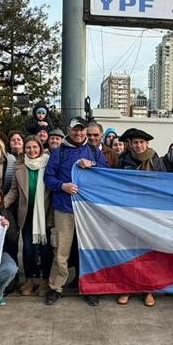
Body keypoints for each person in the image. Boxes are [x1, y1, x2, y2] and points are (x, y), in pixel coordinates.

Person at [45, 119, 107, 306]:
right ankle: (56, 287)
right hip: (64, 208)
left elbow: (107, 174)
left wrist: (93, 165)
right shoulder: (59, 152)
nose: (79, 134)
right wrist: (62, 186)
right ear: (69, 131)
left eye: (82, 131)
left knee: (88, 249)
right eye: (75, 130)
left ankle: (89, 287)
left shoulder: (94, 151)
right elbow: (48, 177)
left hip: (88, 210)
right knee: (61, 251)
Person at [117, 128, 163, 307]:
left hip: (149, 211)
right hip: (128, 211)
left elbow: (164, 183)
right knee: (128, 250)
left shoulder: (157, 161)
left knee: (148, 250)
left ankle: (148, 289)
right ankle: (127, 287)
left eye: (141, 142)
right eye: (135, 142)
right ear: (130, 144)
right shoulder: (123, 161)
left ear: (147, 144)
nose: (138, 145)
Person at [13, 136, 52, 295]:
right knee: (28, 249)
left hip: (45, 213)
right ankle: (29, 280)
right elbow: (14, 191)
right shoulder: (19, 166)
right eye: (28, 147)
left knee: (45, 249)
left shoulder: (48, 163)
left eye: (35, 147)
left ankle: (45, 281)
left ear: (40, 148)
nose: (32, 150)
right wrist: (0, 204)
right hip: (27, 214)